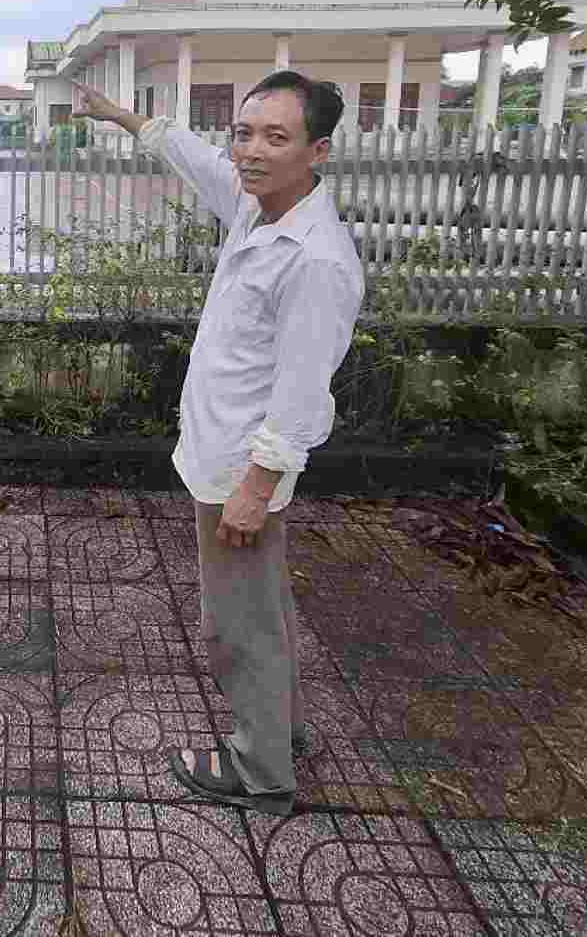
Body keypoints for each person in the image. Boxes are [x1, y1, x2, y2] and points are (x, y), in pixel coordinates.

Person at [72, 71, 363, 815]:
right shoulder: (255, 209)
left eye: (276, 137)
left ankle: (260, 770)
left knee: (237, 625)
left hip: (243, 471)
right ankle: (284, 731)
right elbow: (191, 156)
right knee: (261, 609)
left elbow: (302, 396)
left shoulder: (316, 260)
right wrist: (117, 115)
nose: (250, 151)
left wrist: (255, 491)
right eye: (244, 132)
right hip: (221, 459)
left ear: (318, 150)